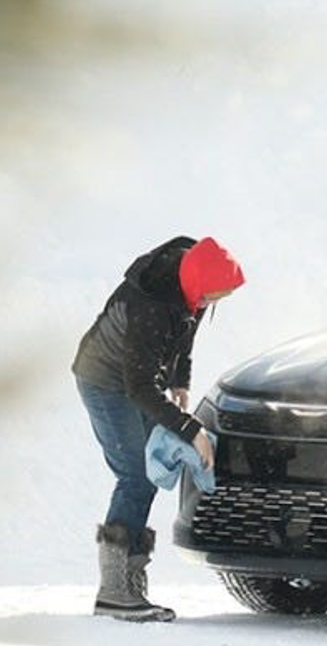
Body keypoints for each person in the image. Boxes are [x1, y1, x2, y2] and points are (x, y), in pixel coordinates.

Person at [72, 235, 244, 621]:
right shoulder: (150, 302)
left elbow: (185, 336)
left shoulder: (192, 286)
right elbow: (139, 387)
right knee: (134, 475)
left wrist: (180, 379)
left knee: (149, 473)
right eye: (210, 297)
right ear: (196, 282)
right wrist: (190, 429)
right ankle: (114, 592)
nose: (209, 305)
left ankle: (131, 578)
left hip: (137, 378)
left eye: (216, 299)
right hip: (104, 380)